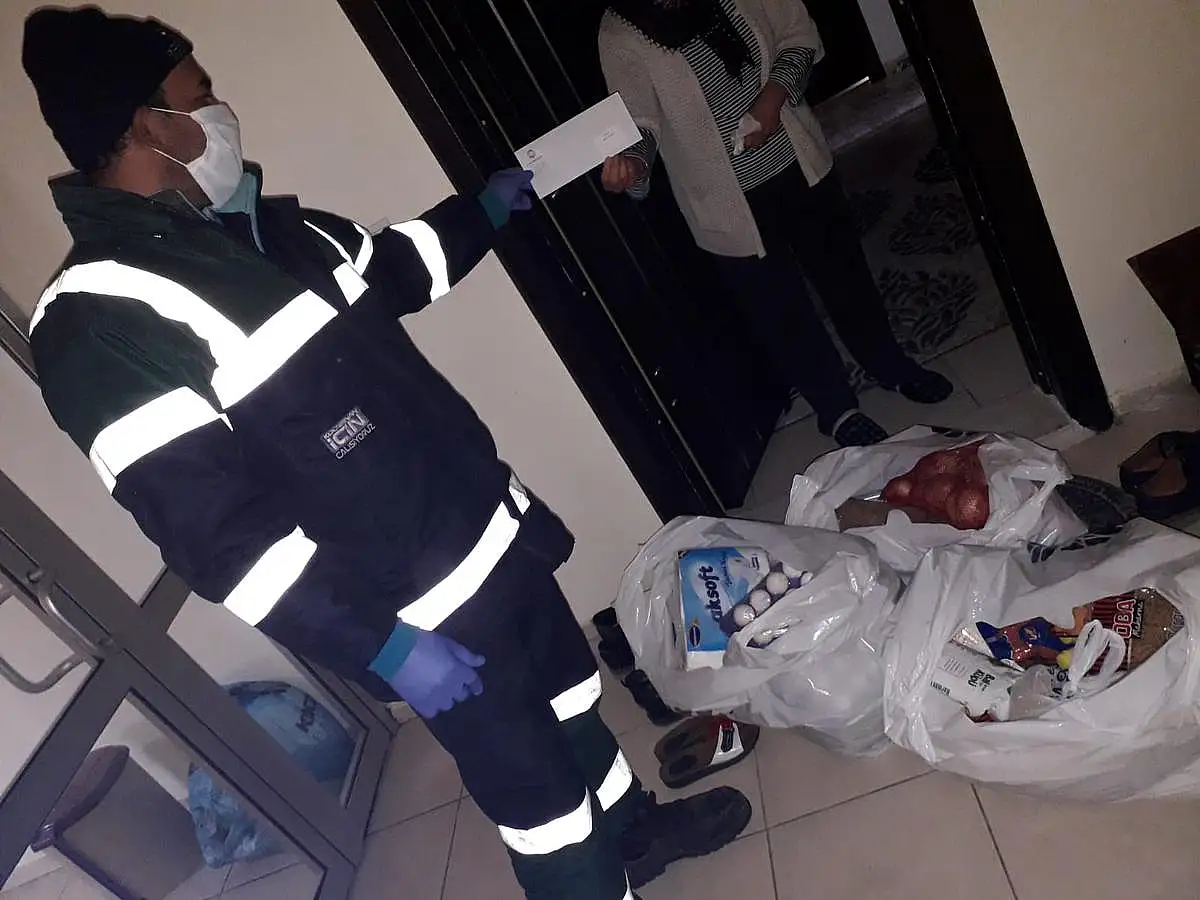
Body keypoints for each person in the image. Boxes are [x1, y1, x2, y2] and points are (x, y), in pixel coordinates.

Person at [20, 8, 751, 900]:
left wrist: (488, 206)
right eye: (199, 94)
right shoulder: (97, 320)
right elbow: (227, 544)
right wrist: (384, 646)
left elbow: (403, 266)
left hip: (492, 539)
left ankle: (634, 832)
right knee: (539, 800)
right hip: (421, 618)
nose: (219, 109)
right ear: (148, 125)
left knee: (571, 702)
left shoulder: (274, 233)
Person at [598, 0, 953, 447]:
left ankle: (889, 364)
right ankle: (835, 408)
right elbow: (638, 120)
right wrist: (632, 164)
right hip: (725, 202)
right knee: (780, 310)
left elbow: (797, 33)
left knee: (846, 278)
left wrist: (773, 98)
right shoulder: (621, 32)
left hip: (799, 163)